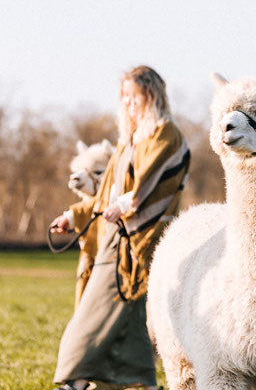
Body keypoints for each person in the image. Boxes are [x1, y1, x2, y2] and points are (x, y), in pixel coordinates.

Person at [50, 66, 190, 390]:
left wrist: (125, 206)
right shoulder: (128, 140)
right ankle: (136, 383)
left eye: (134, 96)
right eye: (123, 96)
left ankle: (75, 382)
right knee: (130, 332)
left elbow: (149, 188)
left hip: (140, 245)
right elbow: (103, 196)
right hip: (112, 242)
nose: (127, 103)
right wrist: (72, 218)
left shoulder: (167, 135)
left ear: (151, 95)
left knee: (85, 329)